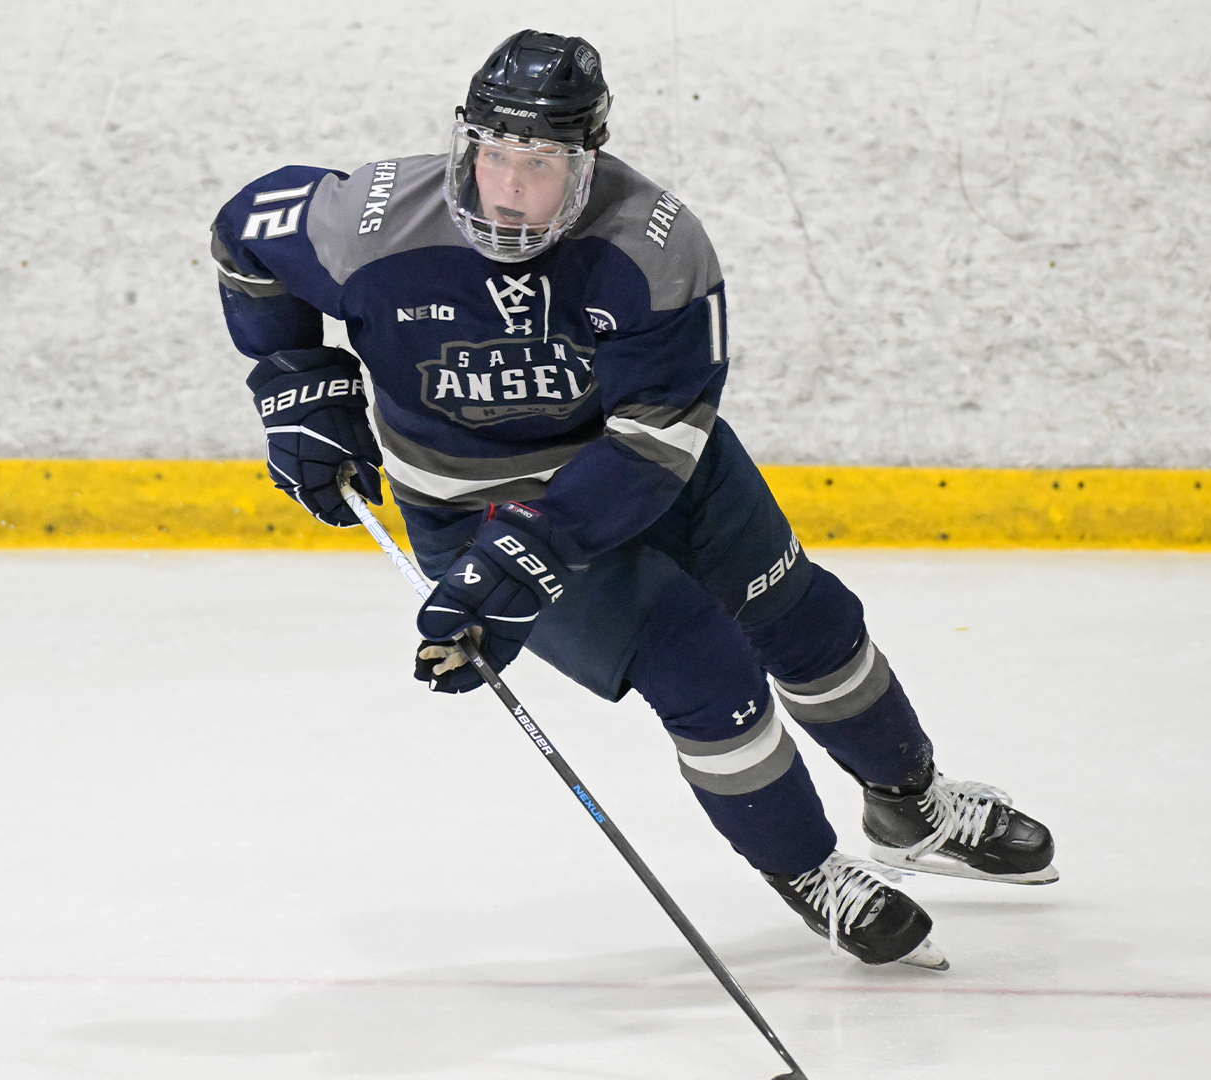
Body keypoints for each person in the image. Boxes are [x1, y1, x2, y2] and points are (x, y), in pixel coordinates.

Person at [209, 29, 1056, 969]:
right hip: (469, 507)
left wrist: (542, 542)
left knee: (808, 621)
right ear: (467, 142)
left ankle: (913, 806)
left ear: (587, 158)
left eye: (541, 162)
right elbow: (244, 235)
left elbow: (656, 438)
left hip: (645, 469)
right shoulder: (365, 220)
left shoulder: (653, 244)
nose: (511, 187)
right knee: (706, 672)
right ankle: (811, 869)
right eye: (495, 155)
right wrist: (294, 377)